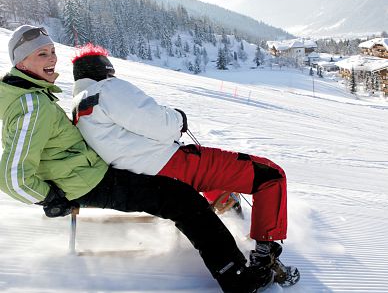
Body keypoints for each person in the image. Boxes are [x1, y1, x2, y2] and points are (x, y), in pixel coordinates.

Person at [0, 25, 285, 293]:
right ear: (21, 63)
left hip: (91, 176)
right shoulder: (34, 104)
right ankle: (237, 277)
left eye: (52, 51)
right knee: (188, 201)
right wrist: (50, 198)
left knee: (181, 198)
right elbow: (12, 175)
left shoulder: (40, 96)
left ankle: (231, 252)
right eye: (42, 54)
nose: (52, 59)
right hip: (89, 182)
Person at [71, 43, 300, 287]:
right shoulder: (108, 89)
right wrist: (179, 118)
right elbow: (158, 123)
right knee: (270, 174)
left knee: (211, 173)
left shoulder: (78, 106)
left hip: (138, 175)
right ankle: (263, 254)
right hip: (171, 164)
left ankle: (226, 204)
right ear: (106, 71)